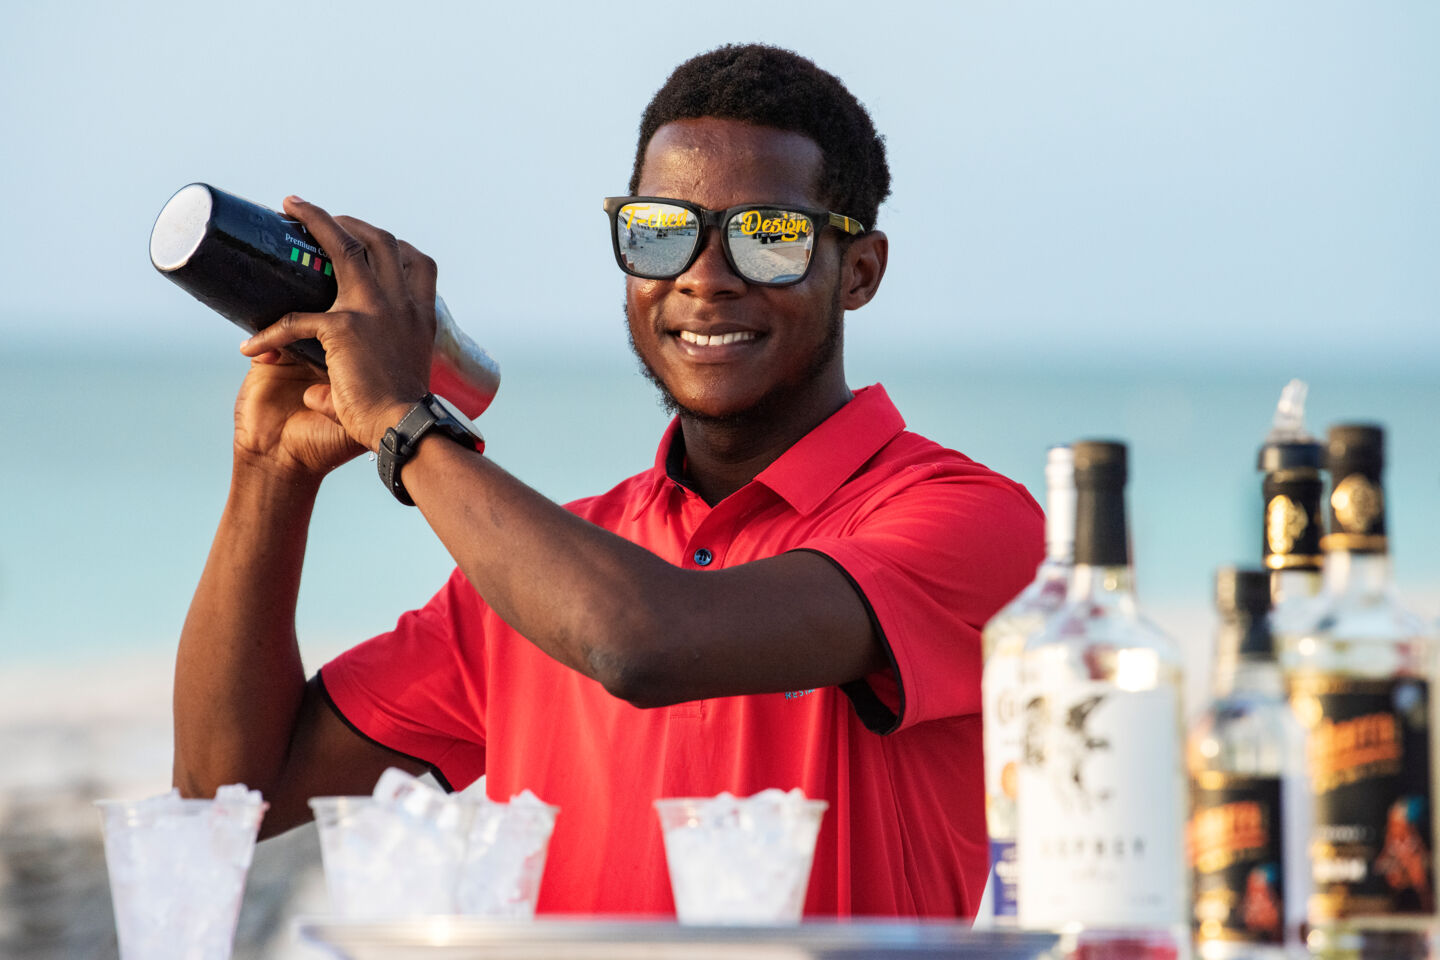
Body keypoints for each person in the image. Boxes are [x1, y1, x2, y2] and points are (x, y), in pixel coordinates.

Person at [173, 43, 1043, 919]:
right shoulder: (538, 572)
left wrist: (407, 423)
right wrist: (271, 470)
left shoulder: (971, 522)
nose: (703, 279)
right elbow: (224, 801)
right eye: (662, 231)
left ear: (859, 270)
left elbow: (644, 643)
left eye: (769, 237)